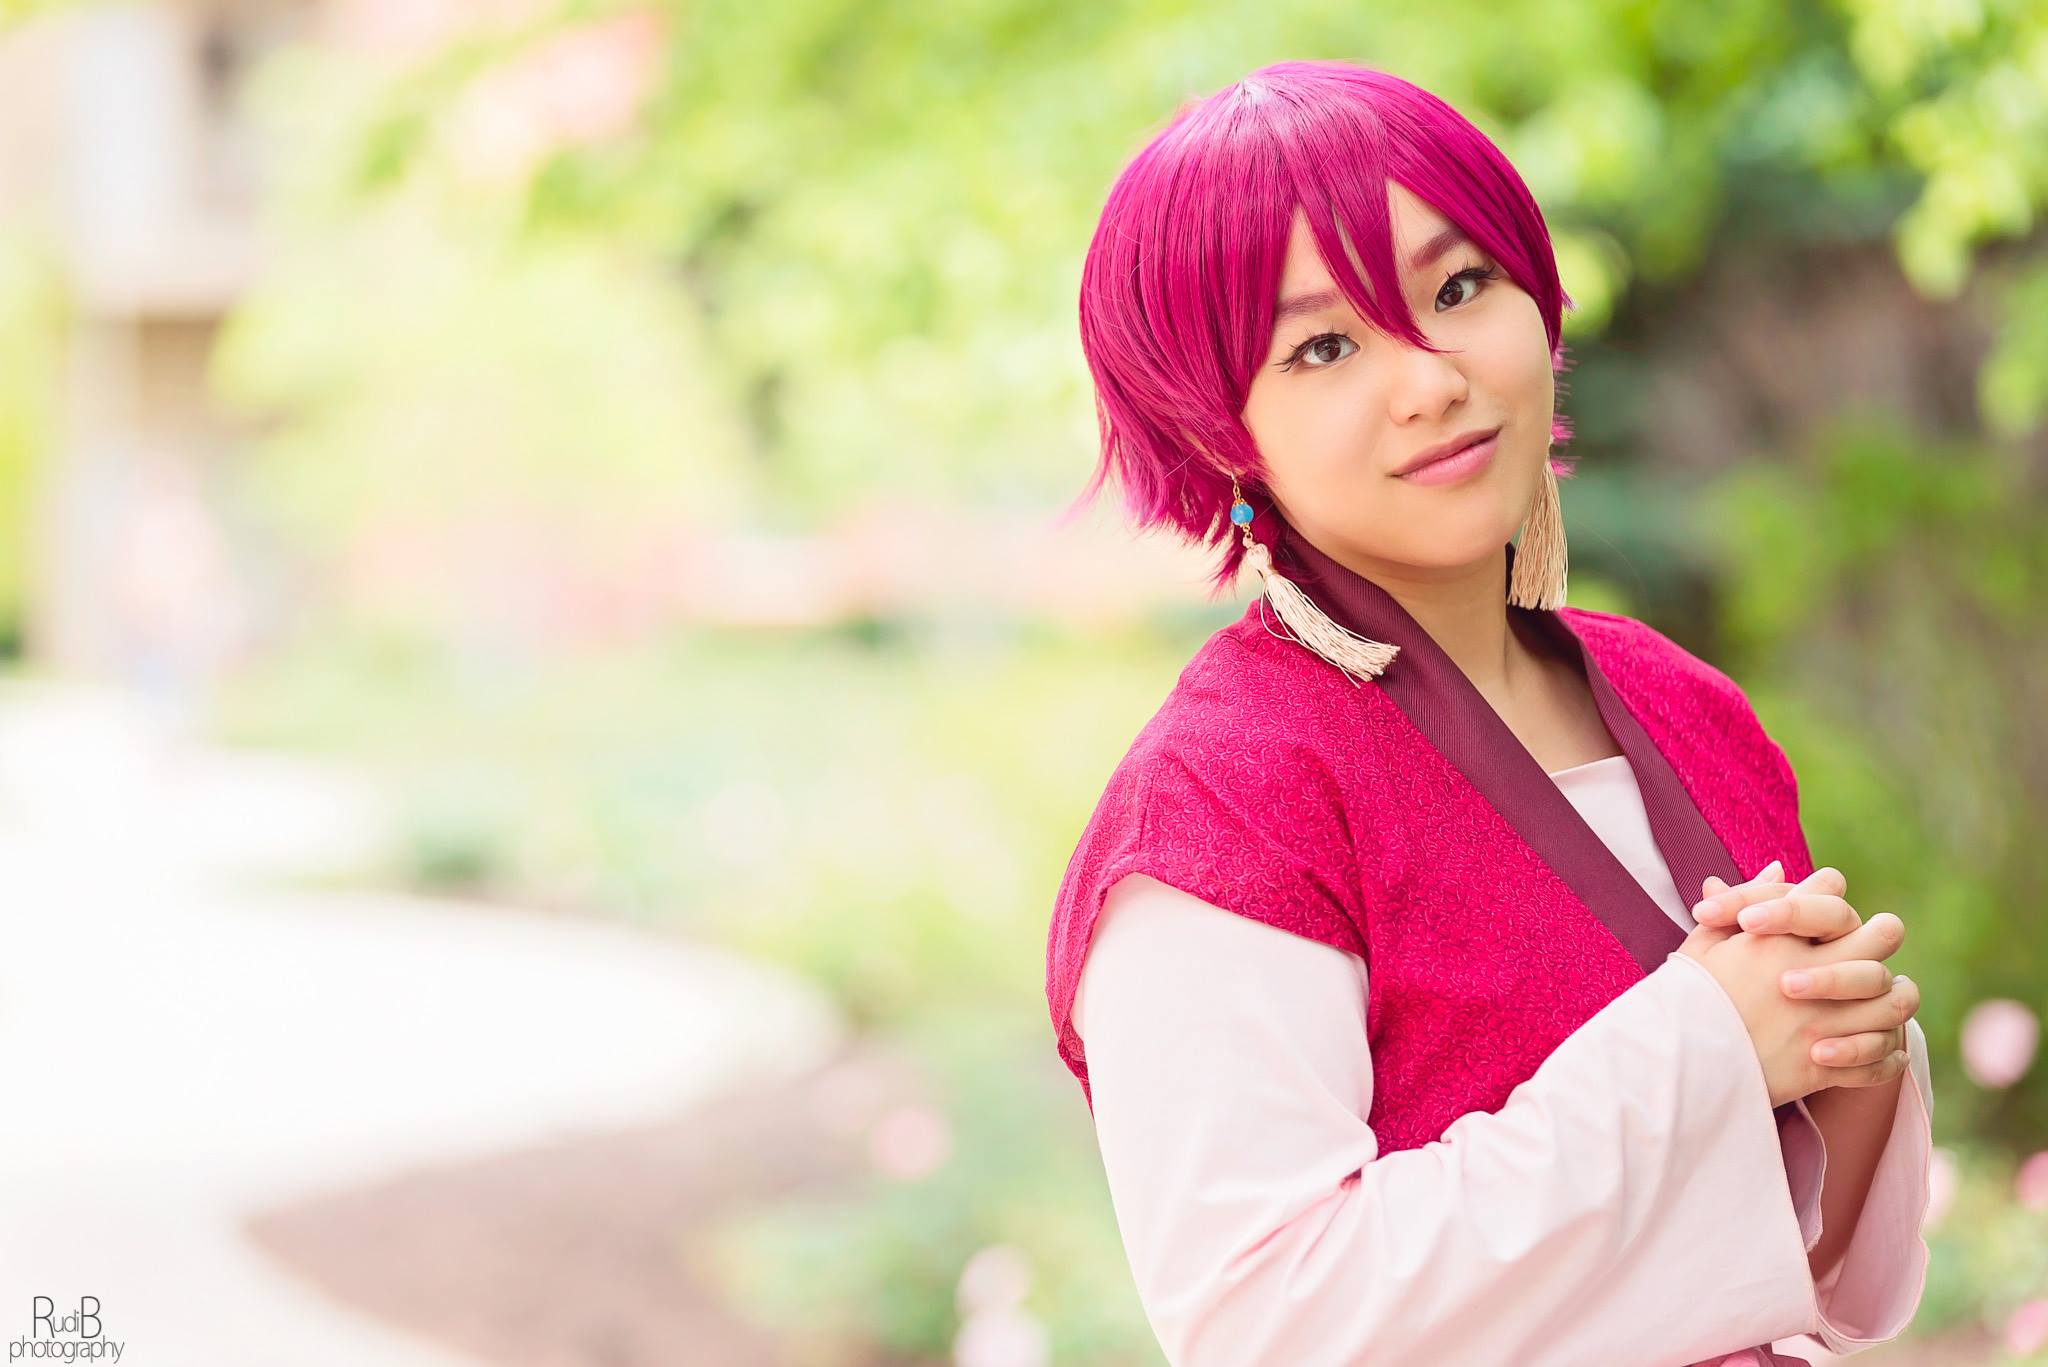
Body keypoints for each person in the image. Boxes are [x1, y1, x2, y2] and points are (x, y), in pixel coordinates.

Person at [1042, 60, 1932, 1367]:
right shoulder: (1224, 800)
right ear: (1223, 433)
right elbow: (1264, 1325)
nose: (1429, 381)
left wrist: (1844, 1070)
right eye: (1323, 347)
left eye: (1458, 290)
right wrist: (1704, 1047)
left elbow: (1788, 1272)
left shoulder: (1683, 704)